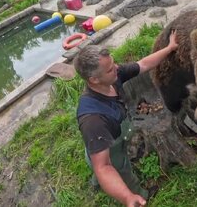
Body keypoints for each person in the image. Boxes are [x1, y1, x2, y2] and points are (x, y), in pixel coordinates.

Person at [73, 30, 178, 207]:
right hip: (111, 148)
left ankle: (97, 181)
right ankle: (139, 192)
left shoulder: (113, 76)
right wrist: (127, 198)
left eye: (113, 63)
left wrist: (170, 48)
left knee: (95, 160)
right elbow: (104, 166)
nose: (117, 68)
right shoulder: (93, 120)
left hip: (101, 143)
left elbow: (143, 64)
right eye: (109, 69)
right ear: (94, 80)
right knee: (120, 169)